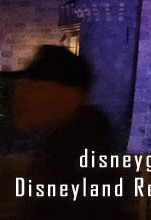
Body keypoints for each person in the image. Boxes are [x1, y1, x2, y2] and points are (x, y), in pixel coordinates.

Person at [13, 45, 121, 220]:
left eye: (37, 87)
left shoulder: (78, 154)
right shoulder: (60, 146)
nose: (21, 97)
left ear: (70, 93)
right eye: (22, 86)